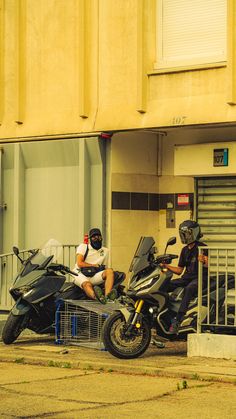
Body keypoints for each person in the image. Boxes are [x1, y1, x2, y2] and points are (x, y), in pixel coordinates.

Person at [161, 220, 208, 334]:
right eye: (183, 234)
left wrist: (204, 261)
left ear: (194, 233)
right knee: (165, 285)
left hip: (200, 278)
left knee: (189, 289)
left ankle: (178, 320)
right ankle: (165, 315)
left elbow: (208, 265)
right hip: (186, 278)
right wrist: (166, 265)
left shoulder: (202, 247)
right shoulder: (185, 250)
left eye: (186, 234)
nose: (184, 236)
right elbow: (179, 271)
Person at [73, 228, 117, 304]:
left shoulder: (105, 251)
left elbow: (104, 267)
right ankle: (98, 298)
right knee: (87, 284)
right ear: (90, 239)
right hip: (80, 273)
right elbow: (80, 263)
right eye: (94, 237)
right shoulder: (83, 247)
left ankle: (107, 297)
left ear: (101, 238)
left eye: (98, 237)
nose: (97, 239)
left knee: (110, 271)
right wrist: (94, 265)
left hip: (94, 275)